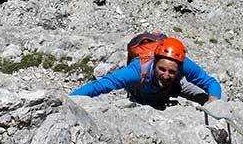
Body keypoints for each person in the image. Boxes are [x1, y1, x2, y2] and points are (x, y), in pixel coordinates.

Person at [70, 37, 222, 107]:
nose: (166, 74)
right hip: (142, 92)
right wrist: (68, 100)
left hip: (172, 88)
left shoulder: (183, 65)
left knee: (218, 99)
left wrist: (214, 100)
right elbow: (101, 85)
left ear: (179, 69)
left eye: (171, 71)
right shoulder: (136, 71)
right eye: (162, 69)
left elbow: (210, 82)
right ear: (154, 62)